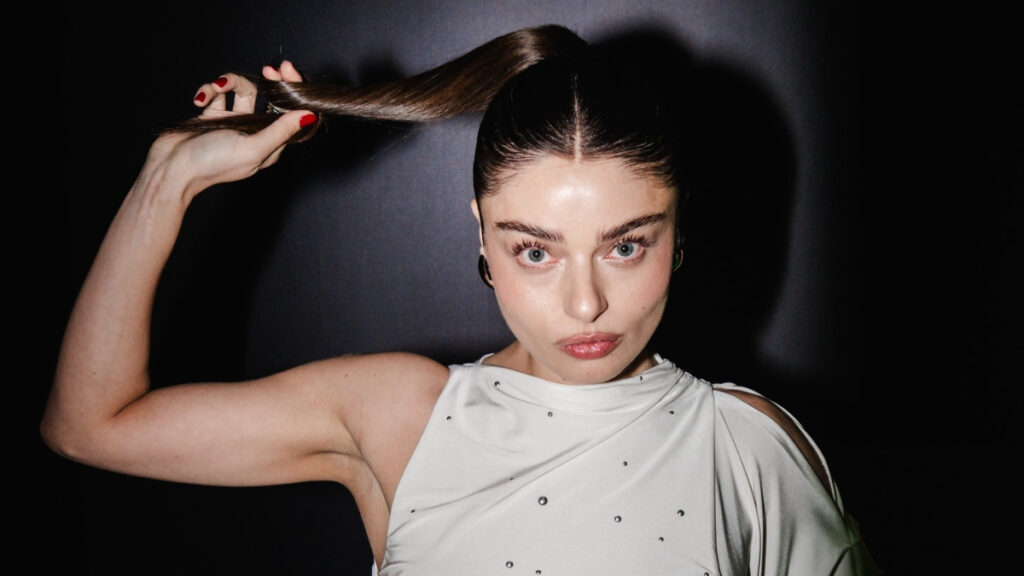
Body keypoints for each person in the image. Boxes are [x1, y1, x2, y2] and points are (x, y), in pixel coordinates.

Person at [42, 24, 880, 575]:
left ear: (678, 231)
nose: (585, 304)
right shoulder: (399, 415)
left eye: (625, 245)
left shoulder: (751, 447)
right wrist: (168, 180)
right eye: (535, 251)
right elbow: (89, 425)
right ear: (482, 234)